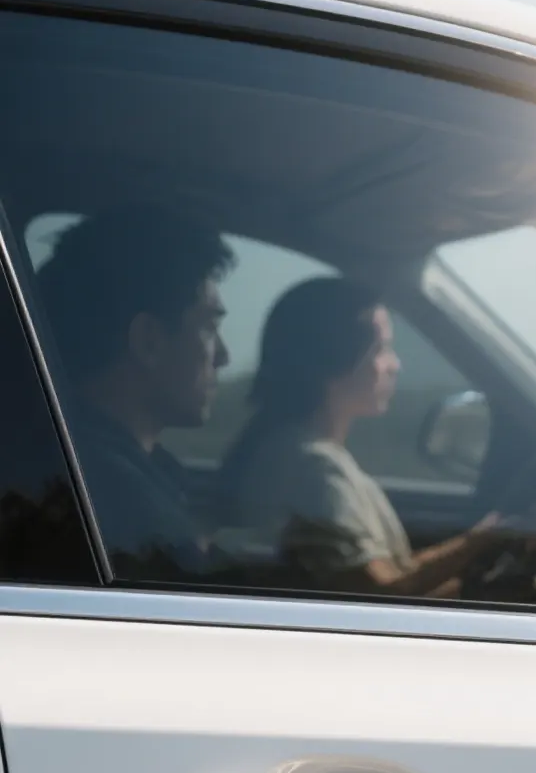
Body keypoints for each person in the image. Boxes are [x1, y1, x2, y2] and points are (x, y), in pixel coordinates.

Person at [219, 276, 496, 597]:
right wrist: (485, 538)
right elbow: (382, 595)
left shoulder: (291, 451)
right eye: (381, 349)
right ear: (334, 359)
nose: (395, 365)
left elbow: (393, 576)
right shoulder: (314, 470)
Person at [35, 205, 233, 571]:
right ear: (149, 341)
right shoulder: (127, 507)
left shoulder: (103, 468)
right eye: (208, 327)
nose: (223, 356)